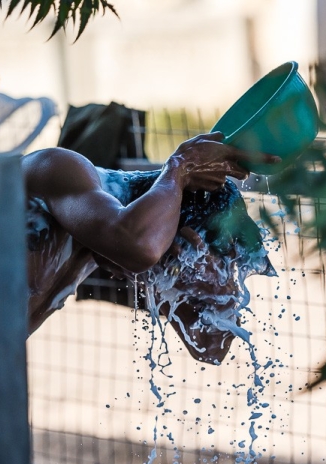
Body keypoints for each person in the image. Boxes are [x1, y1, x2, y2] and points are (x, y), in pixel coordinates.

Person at [22, 132, 279, 364]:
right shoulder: (58, 169)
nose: (205, 275)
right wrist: (180, 167)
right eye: (196, 261)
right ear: (179, 237)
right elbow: (138, 246)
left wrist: (218, 289)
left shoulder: (103, 244)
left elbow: (210, 347)